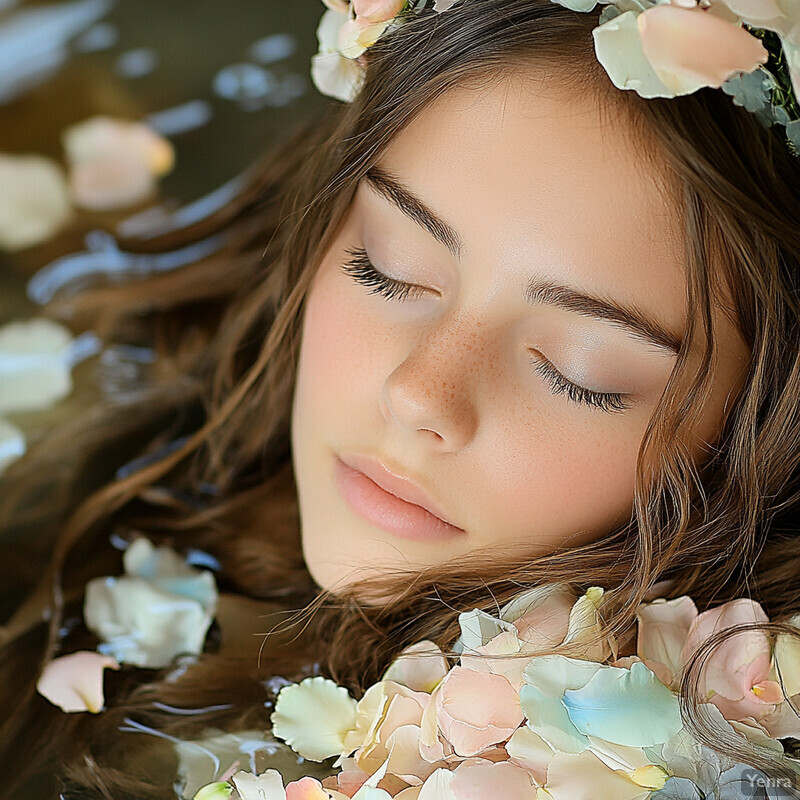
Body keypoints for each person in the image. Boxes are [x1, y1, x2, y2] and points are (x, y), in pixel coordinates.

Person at [1, 0, 800, 796]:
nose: (418, 393)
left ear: (759, 425)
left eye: (577, 371)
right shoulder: (116, 361)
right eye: (390, 267)